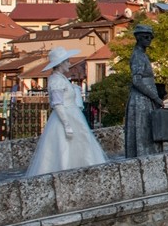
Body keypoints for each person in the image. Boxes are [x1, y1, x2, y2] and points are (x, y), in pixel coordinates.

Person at [25, 47, 107, 176]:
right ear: (60, 64)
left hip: (72, 114)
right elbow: (58, 104)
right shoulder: (56, 81)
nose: (69, 63)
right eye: (67, 61)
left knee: (81, 143)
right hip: (66, 117)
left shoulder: (60, 79)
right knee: (65, 145)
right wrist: (66, 124)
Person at [125, 24, 164, 157]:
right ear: (138, 38)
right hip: (141, 99)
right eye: (145, 37)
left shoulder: (142, 55)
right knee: (143, 130)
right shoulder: (138, 56)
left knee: (147, 129)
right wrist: (155, 97)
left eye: (150, 37)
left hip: (146, 98)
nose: (149, 39)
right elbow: (137, 81)